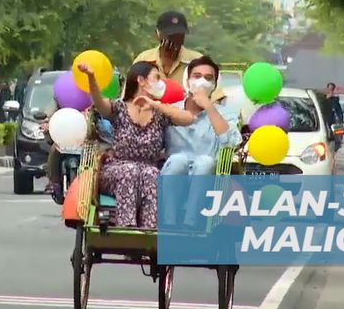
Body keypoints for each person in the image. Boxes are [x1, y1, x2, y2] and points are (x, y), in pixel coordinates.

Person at [79, 60, 194, 228]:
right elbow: (100, 104)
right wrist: (91, 78)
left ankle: (150, 230)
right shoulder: (119, 107)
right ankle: (127, 226)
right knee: (130, 170)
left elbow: (188, 119)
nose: (161, 82)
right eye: (156, 77)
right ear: (141, 81)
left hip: (148, 167)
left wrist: (155, 104)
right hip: (118, 168)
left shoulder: (160, 112)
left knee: (151, 174)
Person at [161, 56, 241, 227]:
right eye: (197, 76)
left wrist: (209, 107)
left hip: (206, 180)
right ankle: (168, 222)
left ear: (214, 85)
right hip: (173, 175)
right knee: (178, 160)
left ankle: (191, 223)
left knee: (205, 162)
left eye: (208, 78)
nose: (202, 81)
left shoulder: (225, 114)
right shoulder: (171, 110)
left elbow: (231, 142)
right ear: (188, 81)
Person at [133, 11, 226, 103]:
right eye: (170, 35)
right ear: (158, 34)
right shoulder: (143, 59)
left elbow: (216, 100)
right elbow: (128, 96)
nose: (174, 40)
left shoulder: (198, 62)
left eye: (179, 36)